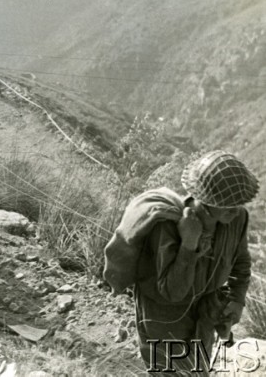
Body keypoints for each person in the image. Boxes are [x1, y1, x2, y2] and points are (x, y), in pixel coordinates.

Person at [104, 150, 259, 374]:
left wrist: (236, 300)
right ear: (206, 201)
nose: (236, 210)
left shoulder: (237, 219)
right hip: (164, 318)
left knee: (199, 370)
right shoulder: (166, 227)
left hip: (204, 315)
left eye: (239, 203)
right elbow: (172, 292)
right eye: (229, 204)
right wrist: (189, 245)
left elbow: (241, 263)